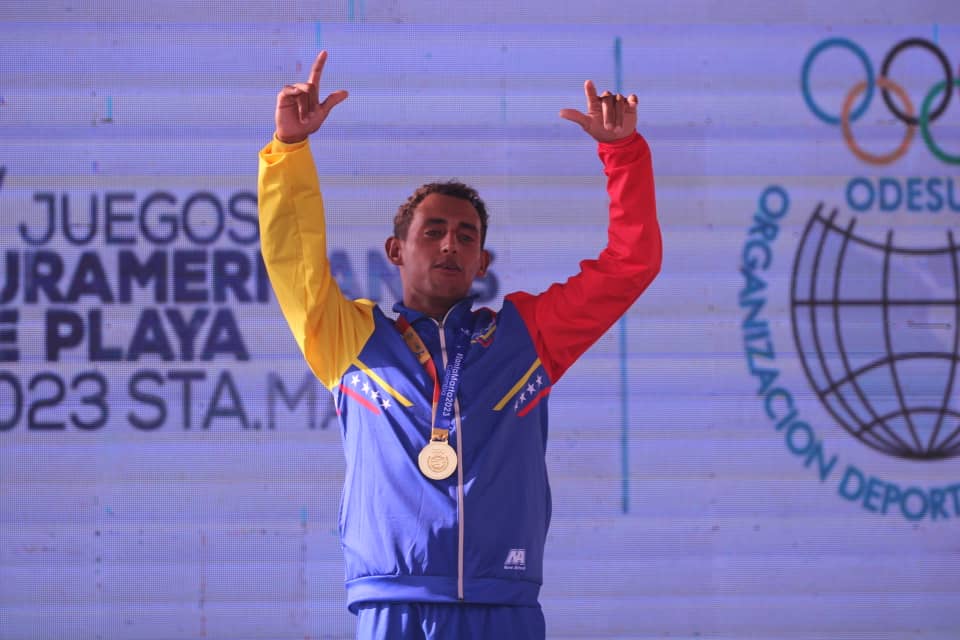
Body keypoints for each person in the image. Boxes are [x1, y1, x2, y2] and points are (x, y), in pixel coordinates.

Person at [258, 50, 661, 640]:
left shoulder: (527, 337)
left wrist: (623, 153)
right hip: (393, 606)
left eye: (466, 236)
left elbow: (630, 265)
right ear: (395, 251)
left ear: (481, 262)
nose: (450, 244)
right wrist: (289, 149)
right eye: (433, 231)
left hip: (505, 603)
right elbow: (293, 259)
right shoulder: (349, 339)